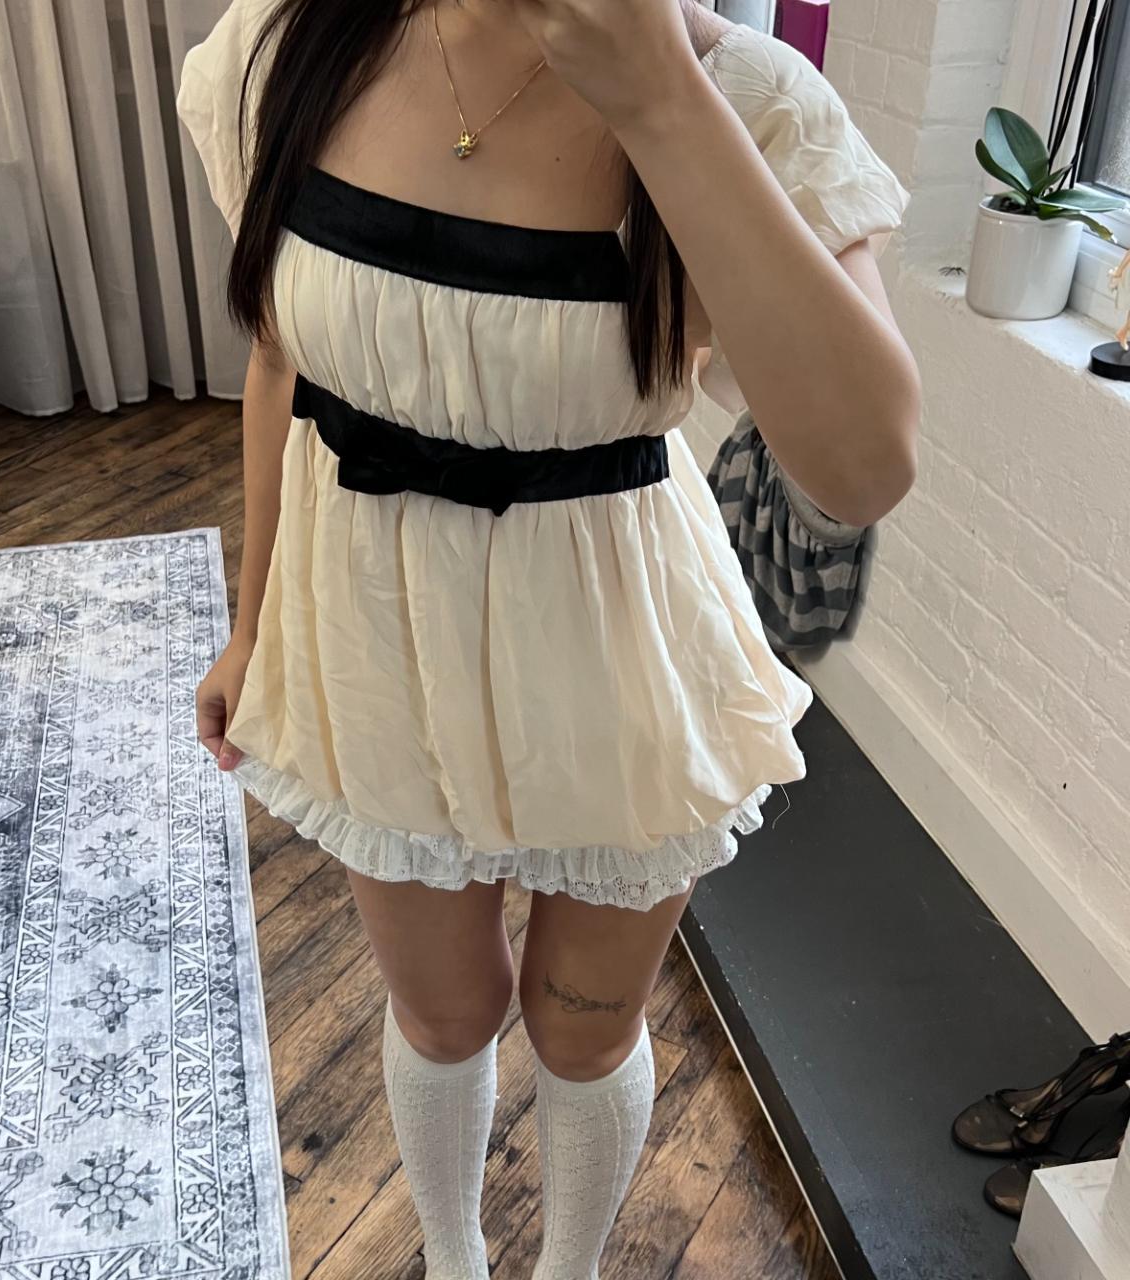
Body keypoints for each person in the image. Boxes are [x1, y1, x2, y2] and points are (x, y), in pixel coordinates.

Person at [177, 1, 920, 1276]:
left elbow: (861, 467)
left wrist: (661, 100)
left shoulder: (744, 102)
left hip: (611, 638)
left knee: (582, 1029)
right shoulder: (288, 42)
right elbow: (280, 361)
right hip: (374, 625)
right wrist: (252, 627)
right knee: (443, 1010)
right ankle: (454, 1259)